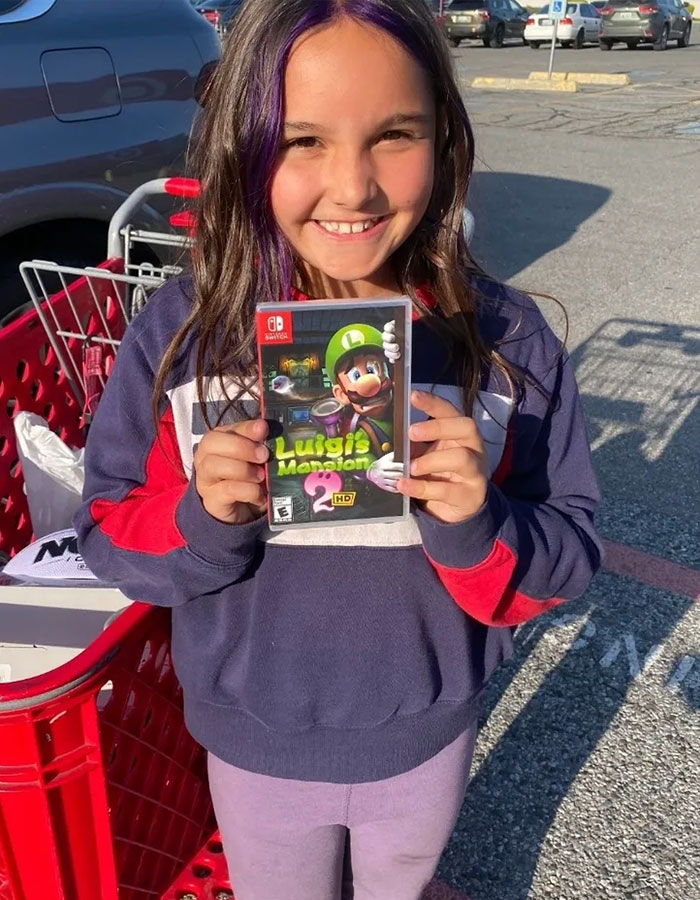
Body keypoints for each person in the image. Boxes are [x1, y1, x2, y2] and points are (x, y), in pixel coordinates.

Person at [75, 1, 602, 898]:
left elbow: (569, 557)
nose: (353, 188)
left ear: (445, 138)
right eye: (303, 140)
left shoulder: (505, 342)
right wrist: (201, 519)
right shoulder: (184, 335)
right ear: (243, 144)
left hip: (427, 739)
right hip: (255, 743)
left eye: (395, 133)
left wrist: (480, 525)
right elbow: (108, 536)